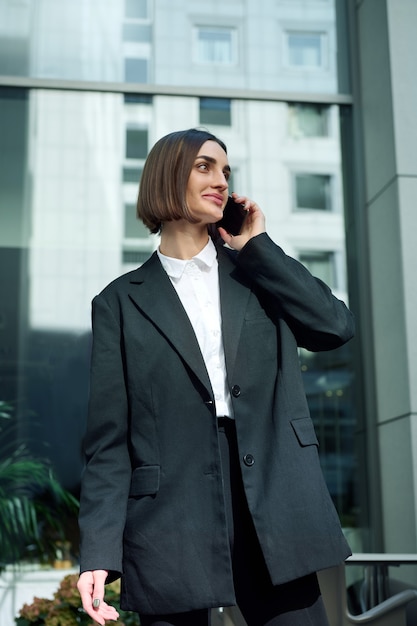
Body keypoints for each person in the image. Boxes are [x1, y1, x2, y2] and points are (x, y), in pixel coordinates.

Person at [77, 128, 355, 626]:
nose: (221, 181)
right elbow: (108, 442)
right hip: (170, 513)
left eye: (226, 171)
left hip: (274, 490)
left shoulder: (257, 272)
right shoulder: (119, 303)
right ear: (167, 177)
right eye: (205, 167)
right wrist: (98, 552)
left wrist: (260, 248)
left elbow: (334, 328)